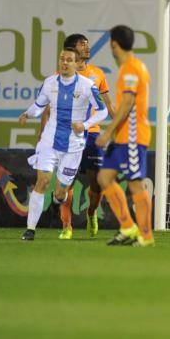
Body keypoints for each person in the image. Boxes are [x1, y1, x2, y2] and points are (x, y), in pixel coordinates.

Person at [18, 48, 108, 241]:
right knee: (42, 181)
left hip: (74, 146)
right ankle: (30, 229)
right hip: (49, 141)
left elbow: (103, 111)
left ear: (76, 64)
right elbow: (39, 105)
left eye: (69, 60)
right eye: (62, 59)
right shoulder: (49, 83)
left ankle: (61, 197)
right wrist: (27, 113)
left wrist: (84, 125)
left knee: (60, 194)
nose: (65, 63)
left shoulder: (87, 85)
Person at [95, 25, 155, 247]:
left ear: (113, 44)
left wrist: (107, 132)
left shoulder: (131, 68)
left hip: (132, 135)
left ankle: (146, 236)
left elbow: (128, 104)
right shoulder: (132, 67)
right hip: (123, 136)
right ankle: (128, 227)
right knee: (104, 178)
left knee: (135, 185)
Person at [56, 34, 114, 239]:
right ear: (72, 49)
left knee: (97, 184)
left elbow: (107, 103)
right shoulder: (62, 74)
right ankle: (67, 227)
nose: (87, 48)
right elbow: (51, 105)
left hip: (92, 134)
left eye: (88, 44)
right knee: (67, 182)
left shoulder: (97, 74)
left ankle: (91, 213)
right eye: (82, 44)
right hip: (69, 135)